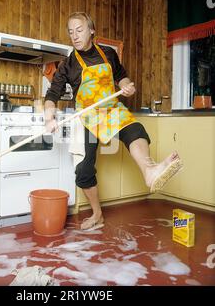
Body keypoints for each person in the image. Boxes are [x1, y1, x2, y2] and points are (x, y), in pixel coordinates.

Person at [44, 12, 183, 231]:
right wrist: (49, 118)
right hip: (87, 116)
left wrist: (127, 86)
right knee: (83, 169)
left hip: (110, 109)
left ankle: (149, 170)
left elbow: (121, 76)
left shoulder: (108, 53)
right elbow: (52, 94)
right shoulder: (68, 64)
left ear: (92, 31)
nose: (74, 36)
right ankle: (97, 214)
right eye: (70, 32)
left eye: (79, 30)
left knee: (135, 129)